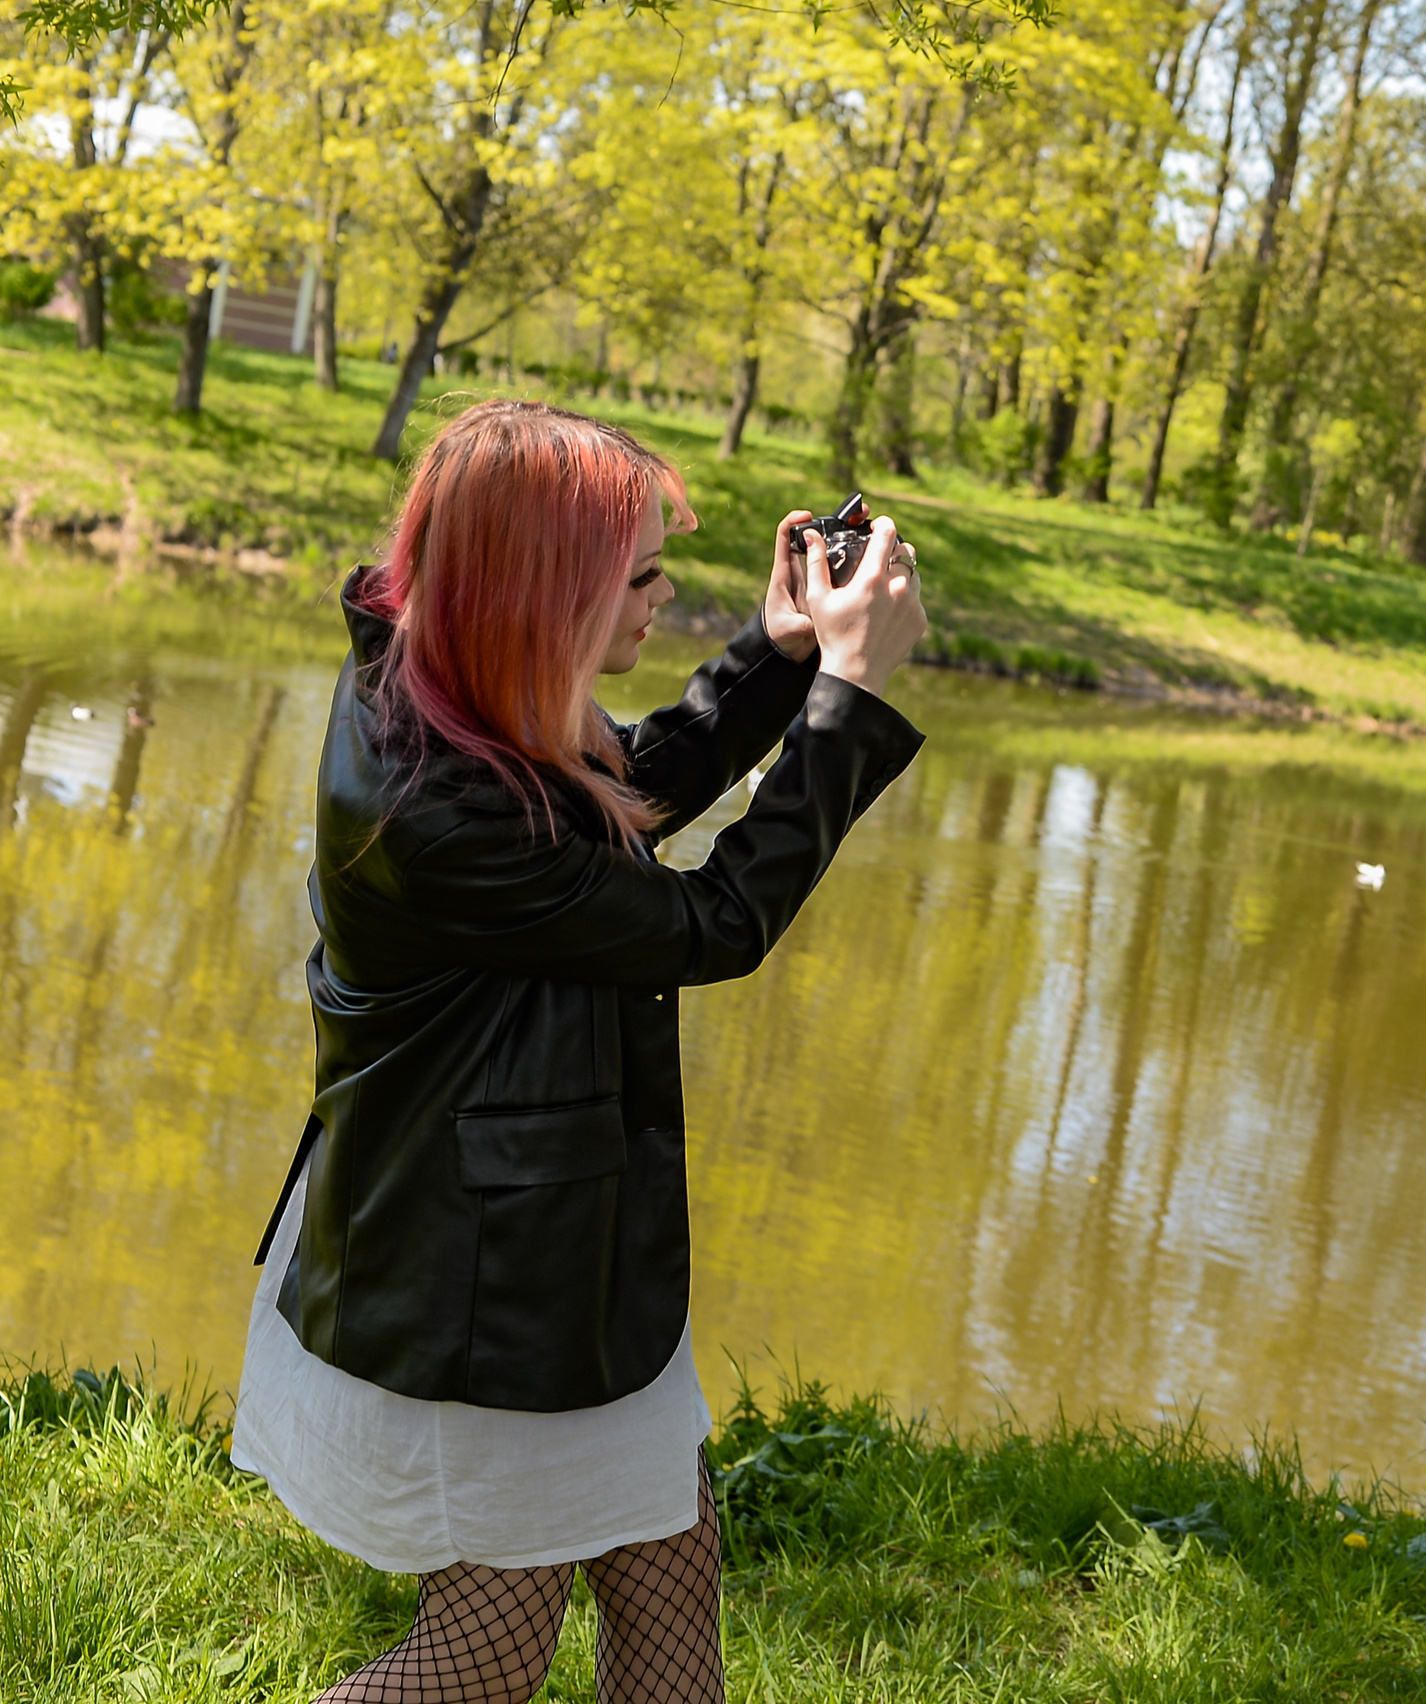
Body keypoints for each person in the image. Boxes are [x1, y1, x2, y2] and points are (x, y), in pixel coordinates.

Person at [230, 398, 930, 1703]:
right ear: (542, 594)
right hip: (477, 1293)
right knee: (488, 1655)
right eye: (642, 576)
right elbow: (711, 923)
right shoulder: (437, 807)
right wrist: (848, 697)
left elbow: (617, 795)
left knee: (670, 1568)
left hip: (551, 1258)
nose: (664, 597)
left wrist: (781, 654)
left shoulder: (451, 683)